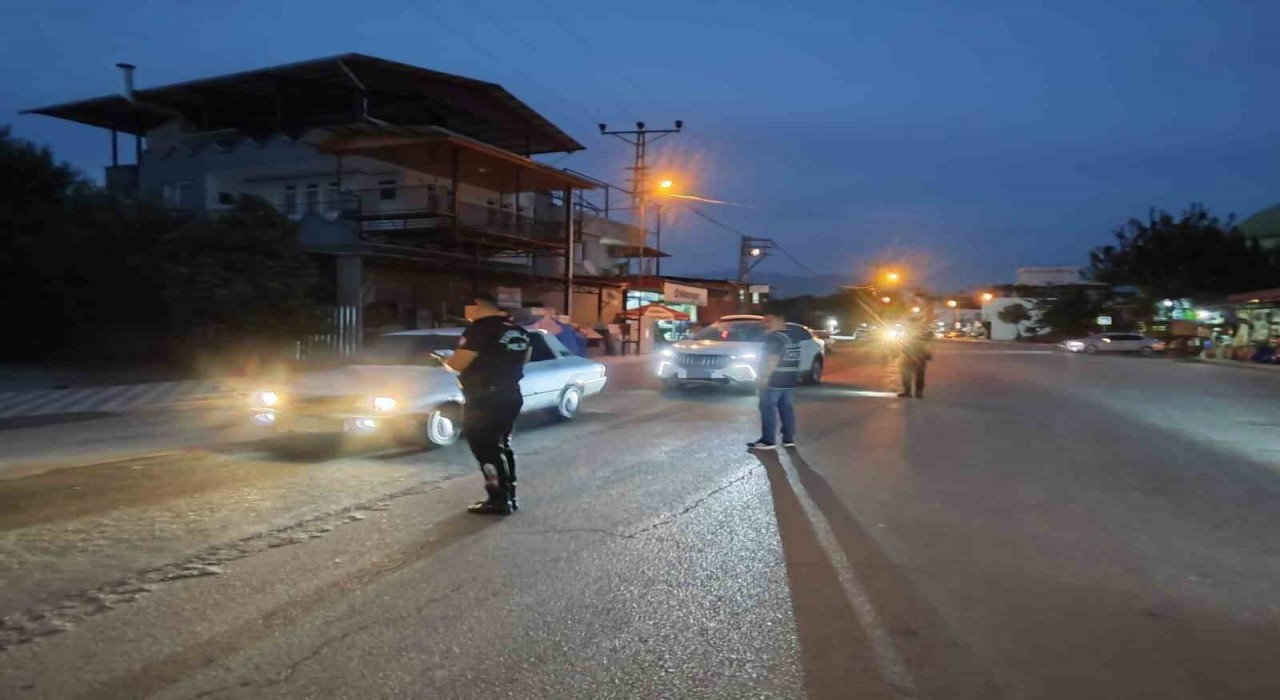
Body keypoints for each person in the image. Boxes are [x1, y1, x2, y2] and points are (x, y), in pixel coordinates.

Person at [444, 293, 531, 515]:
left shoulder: (480, 329)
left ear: (477, 305)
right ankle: (509, 494)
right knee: (502, 444)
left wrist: (446, 361)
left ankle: (498, 500)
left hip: (485, 399)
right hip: (511, 394)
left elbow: (457, 364)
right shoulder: (518, 329)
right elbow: (525, 357)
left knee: (484, 448)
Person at [748, 315, 802, 450]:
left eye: (768, 321)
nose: (764, 324)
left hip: (774, 380)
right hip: (789, 379)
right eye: (763, 321)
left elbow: (772, 359)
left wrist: (764, 377)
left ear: (779, 322)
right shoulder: (792, 336)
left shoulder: (775, 338)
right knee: (786, 408)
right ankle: (788, 439)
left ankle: (768, 441)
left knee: (767, 407)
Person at [899, 324, 933, 398]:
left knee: (910, 374)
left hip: (914, 357)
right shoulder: (924, 334)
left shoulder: (911, 334)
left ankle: (910, 391)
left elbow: (929, 346)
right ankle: (916, 392)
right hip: (915, 357)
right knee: (916, 375)